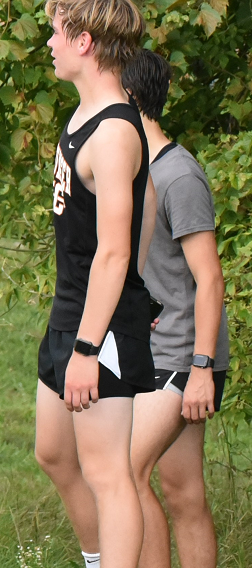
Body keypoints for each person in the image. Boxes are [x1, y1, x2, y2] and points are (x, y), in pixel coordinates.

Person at [33, 0, 156, 568]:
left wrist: (88, 346)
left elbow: (114, 253)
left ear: (84, 42)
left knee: (108, 472)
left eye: (57, 32)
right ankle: (97, 559)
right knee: (54, 454)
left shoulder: (113, 133)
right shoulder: (83, 115)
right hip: (71, 312)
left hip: (99, 330)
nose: (49, 43)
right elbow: (148, 208)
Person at [124, 49, 230, 568]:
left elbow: (210, 278)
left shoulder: (178, 177)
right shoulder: (134, 170)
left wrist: (202, 371)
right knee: (183, 492)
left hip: (183, 358)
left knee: (124, 474)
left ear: (132, 99)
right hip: (154, 351)